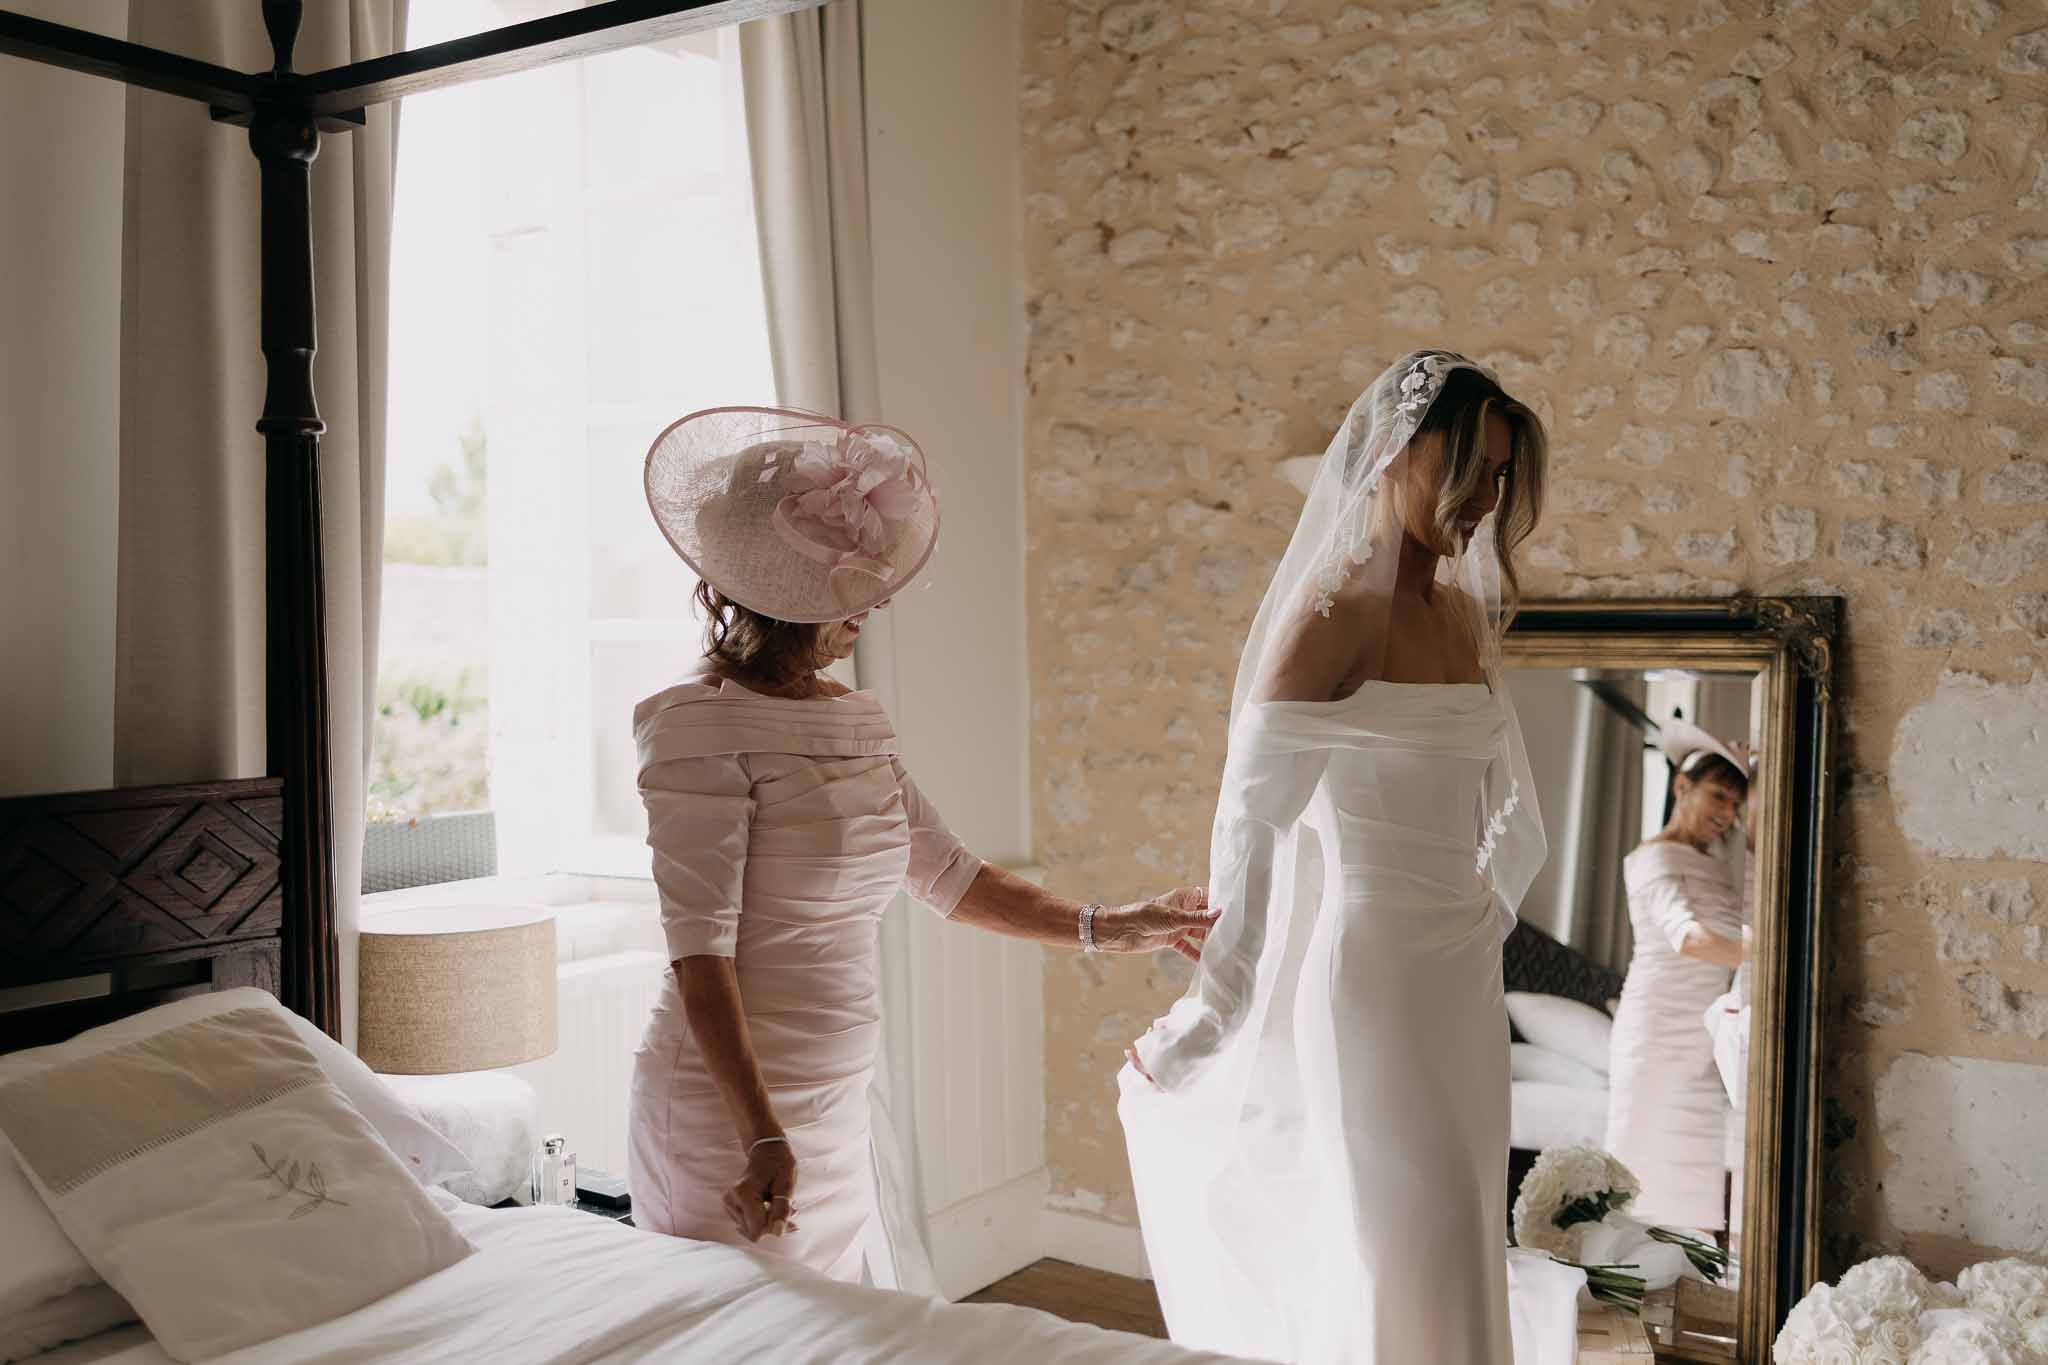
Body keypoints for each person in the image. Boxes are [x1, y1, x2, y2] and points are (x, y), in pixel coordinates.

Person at [629, 407, 1212, 1283]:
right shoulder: (696, 726)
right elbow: (699, 956)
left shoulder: (852, 721)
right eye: (859, 578)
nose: (878, 599)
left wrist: (1113, 924)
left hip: (833, 1104)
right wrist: (760, 1133)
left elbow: (948, 873)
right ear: (789, 585)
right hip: (728, 1119)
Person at [1119, 351, 1551, 1363]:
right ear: (1396, 454)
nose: (1486, 499)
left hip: (1462, 980)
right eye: (1470, 469)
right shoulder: (1328, 621)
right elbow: (1252, 827)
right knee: (1402, 1242)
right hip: (1374, 982)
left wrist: (1477, 918)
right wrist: (1210, 1015)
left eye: (1500, 476)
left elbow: (1500, 811)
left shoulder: (1461, 618)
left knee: (1462, 1238)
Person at [1605, 719, 1753, 1234]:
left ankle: (1687, 1279)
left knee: (1694, 1188)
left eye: (1735, 803)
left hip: (1700, 1042)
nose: (1726, 813)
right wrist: (1760, 958)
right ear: (1681, 786)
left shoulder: (1714, 862)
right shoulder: (1652, 857)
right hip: (1656, 1034)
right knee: (1642, 1181)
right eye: (1718, 796)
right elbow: (1687, 937)